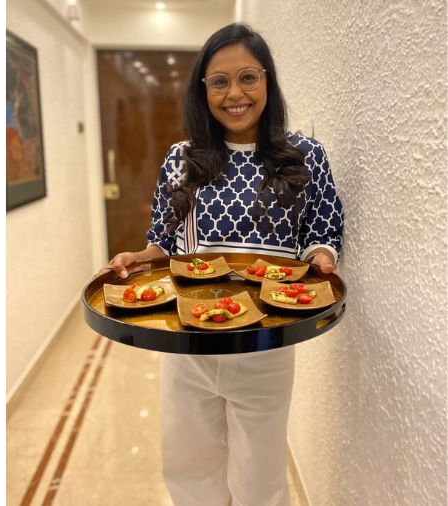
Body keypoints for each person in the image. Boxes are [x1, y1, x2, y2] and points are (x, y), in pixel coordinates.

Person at [100, 24, 343, 506]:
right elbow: (164, 244)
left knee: (260, 479)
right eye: (219, 81)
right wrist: (140, 256)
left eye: (248, 77)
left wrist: (320, 259)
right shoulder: (181, 158)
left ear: (268, 83)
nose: (235, 94)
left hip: (265, 349)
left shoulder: (305, 156)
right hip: (189, 343)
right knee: (189, 471)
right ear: (203, 90)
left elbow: (324, 231)